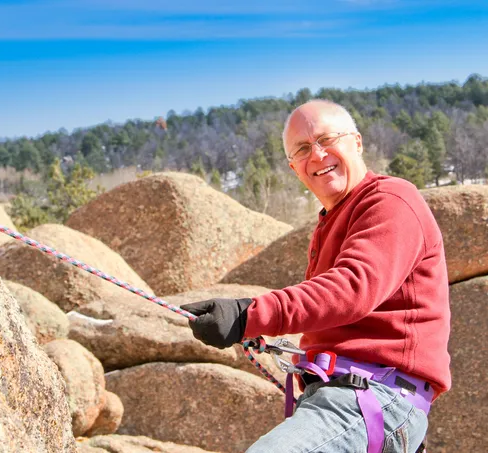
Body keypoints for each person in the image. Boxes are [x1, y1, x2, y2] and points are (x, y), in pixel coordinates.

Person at [180, 100, 451, 453]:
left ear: (357, 142)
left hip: (373, 397)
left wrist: (250, 315)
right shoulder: (331, 222)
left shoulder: (391, 200)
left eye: (327, 139)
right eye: (304, 149)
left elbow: (352, 289)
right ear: (294, 168)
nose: (318, 155)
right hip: (349, 396)